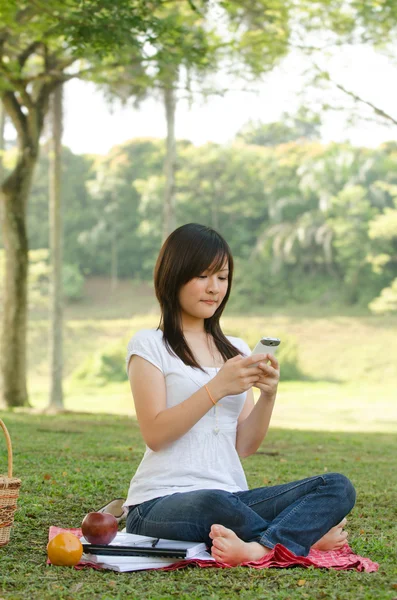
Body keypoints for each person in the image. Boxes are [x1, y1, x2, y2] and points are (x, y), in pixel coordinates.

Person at [123, 223, 356, 565]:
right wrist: (218, 387)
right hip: (161, 501)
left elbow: (244, 445)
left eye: (222, 277)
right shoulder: (148, 345)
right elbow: (155, 434)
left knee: (338, 487)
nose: (214, 288)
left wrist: (269, 396)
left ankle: (260, 548)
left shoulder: (236, 349)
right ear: (174, 276)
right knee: (213, 503)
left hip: (235, 499)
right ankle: (297, 539)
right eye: (203, 276)